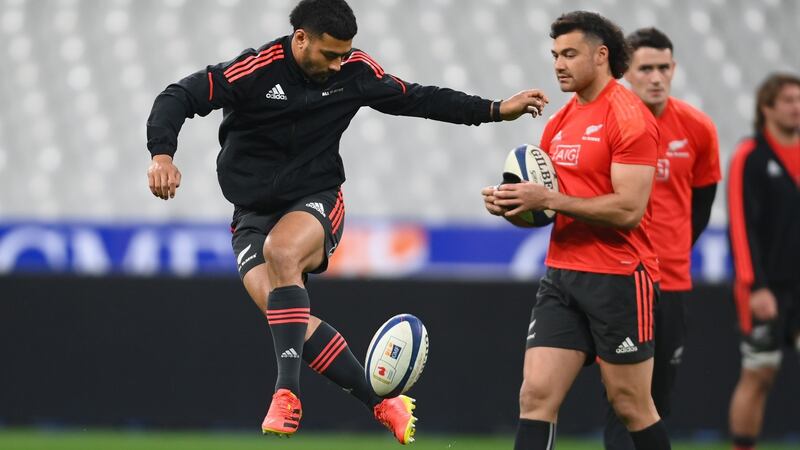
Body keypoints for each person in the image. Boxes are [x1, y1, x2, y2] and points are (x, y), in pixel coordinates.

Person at [145, 0, 548, 443]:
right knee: (286, 319)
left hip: (315, 198)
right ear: (301, 39)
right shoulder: (255, 70)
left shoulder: (355, 71)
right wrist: (162, 153)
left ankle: (286, 393)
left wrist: (493, 109)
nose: (339, 65)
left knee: (282, 255)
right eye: (330, 54)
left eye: (344, 54)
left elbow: (417, 97)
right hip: (251, 214)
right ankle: (382, 403)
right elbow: (178, 96)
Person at [483, 11, 671, 450]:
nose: (558, 64)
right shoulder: (560, 122)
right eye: (555, 55)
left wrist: (545, 199)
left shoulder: (630, 118)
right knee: (535, 396)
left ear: (601, 55)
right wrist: (511, 205)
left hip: (621, 278)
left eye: (570, 54)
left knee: (631, 404)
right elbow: (548, 208)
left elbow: (628, 210)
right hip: (562, 277)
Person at [602, 27, 721, 450]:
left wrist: (671, 249)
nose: (656, 77)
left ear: (674, 69)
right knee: (623, 400)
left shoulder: (698, 128)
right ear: (625, 73)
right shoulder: (608, 124)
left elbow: (702, 204)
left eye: (663, 67)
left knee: (657, 402)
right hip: (614, 279)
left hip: (668, 280)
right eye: (645, 68)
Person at [727, 73, 800, 450]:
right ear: (767, 107)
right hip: (765, 288)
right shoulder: (750, 155)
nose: (796, 107)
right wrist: (756, 286)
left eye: (799, 99)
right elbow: (741, 225)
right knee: (760, 374)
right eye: (788, 99)